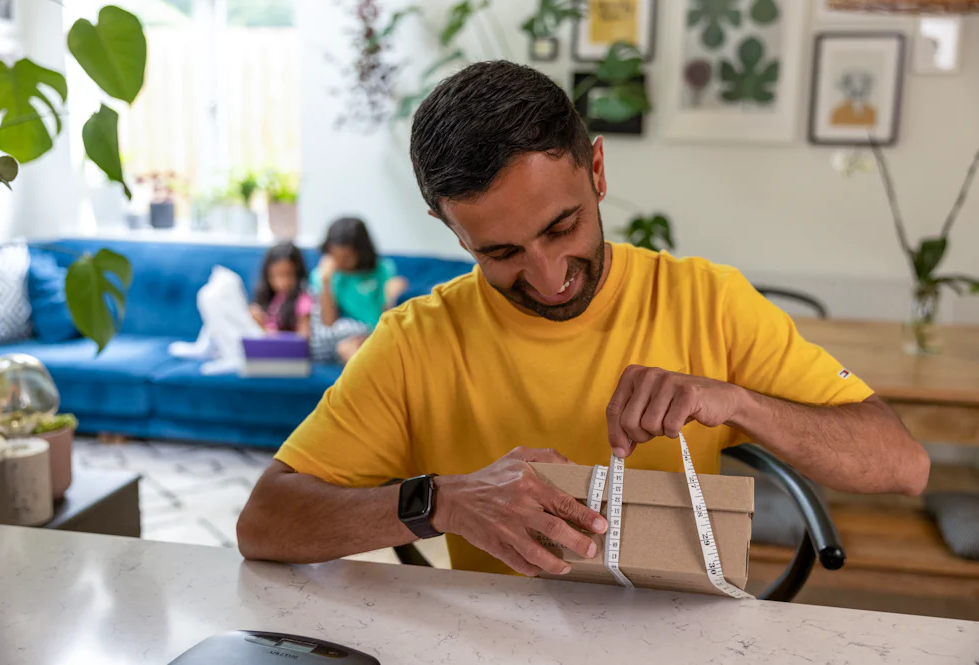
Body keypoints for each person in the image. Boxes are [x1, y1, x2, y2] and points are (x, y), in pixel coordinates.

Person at [238, 62, 929, 578]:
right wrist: (438, 502)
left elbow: (903, 465)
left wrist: (739, 400)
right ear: (450, 230)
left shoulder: (706, 302)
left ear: (596, 169)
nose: (547, 276)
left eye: (561, 225)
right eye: (500, 253)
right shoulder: (417, 341)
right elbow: (264, 521)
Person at [312, 217, 408, 363]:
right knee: (348, 350)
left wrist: (393, 297)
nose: (340, 262)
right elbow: (328, 323)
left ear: (361, 252)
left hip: (376, 334)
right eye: (336, 256)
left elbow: (388, 318)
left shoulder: (382, 270)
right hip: (344, 339)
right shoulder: (324, 275)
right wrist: (326, 283)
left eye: (347, 257)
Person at [250, 241, 313, 338]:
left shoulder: (303, 301)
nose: (282, 283)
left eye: (288, 274)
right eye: (275, 276)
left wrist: (264, 327)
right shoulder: (272, 299)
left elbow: (302, 340)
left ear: (298, 273)